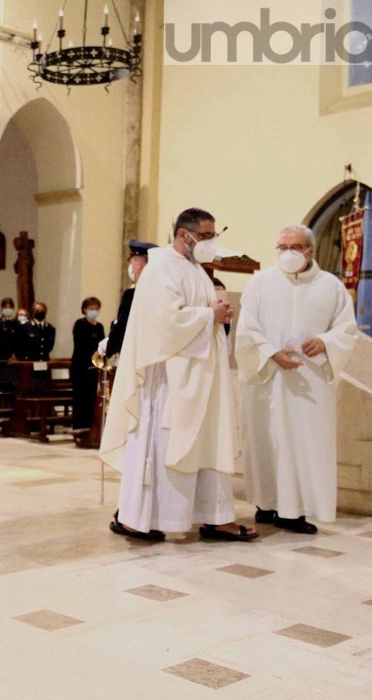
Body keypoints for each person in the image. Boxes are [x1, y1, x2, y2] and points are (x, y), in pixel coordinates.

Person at [100, 207, 256, 543]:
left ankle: (215, 518)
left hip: (199, 377)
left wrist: (218, 316)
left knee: (207, 444)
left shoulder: (195, 269)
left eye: (214, 236)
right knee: (165, 446)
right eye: (206, 236)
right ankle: (143, 518)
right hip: (169, 383)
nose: (211, 243)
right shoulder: (159, 270)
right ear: (184, 235)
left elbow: (198, 314)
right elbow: (164, 323)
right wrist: (208, 315)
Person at [236, 224, 358, 534]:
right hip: (267, 378)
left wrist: (326, 341)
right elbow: (247, 329)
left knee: (304, 444)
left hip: (309, 383)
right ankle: (266, 504)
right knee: (266, 441)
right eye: (282, 247)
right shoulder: (260, 283)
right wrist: (270, 352)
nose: (288, 253)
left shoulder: (330, 287)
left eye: (296, 247)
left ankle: (293, 511)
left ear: (310, 250)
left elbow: (347, 329)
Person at [105, 240, 156, 360]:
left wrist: (109, 347)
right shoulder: (158, 292)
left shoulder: (132, 295)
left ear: (139, 263)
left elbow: (121, 327)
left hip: (132, 354)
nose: (131, 267)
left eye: (131, 261)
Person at [70, 297, 104, 430]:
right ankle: (79, 425)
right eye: (91, 309)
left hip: (94, 367)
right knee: (80, 396)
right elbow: (80, 345)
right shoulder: (80, 324)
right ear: (85, 310)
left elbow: (101, 345)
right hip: (80, 367)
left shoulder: (99, 327)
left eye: (96, 309)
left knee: (91, 397)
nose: (94, 311)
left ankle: (91, 424)